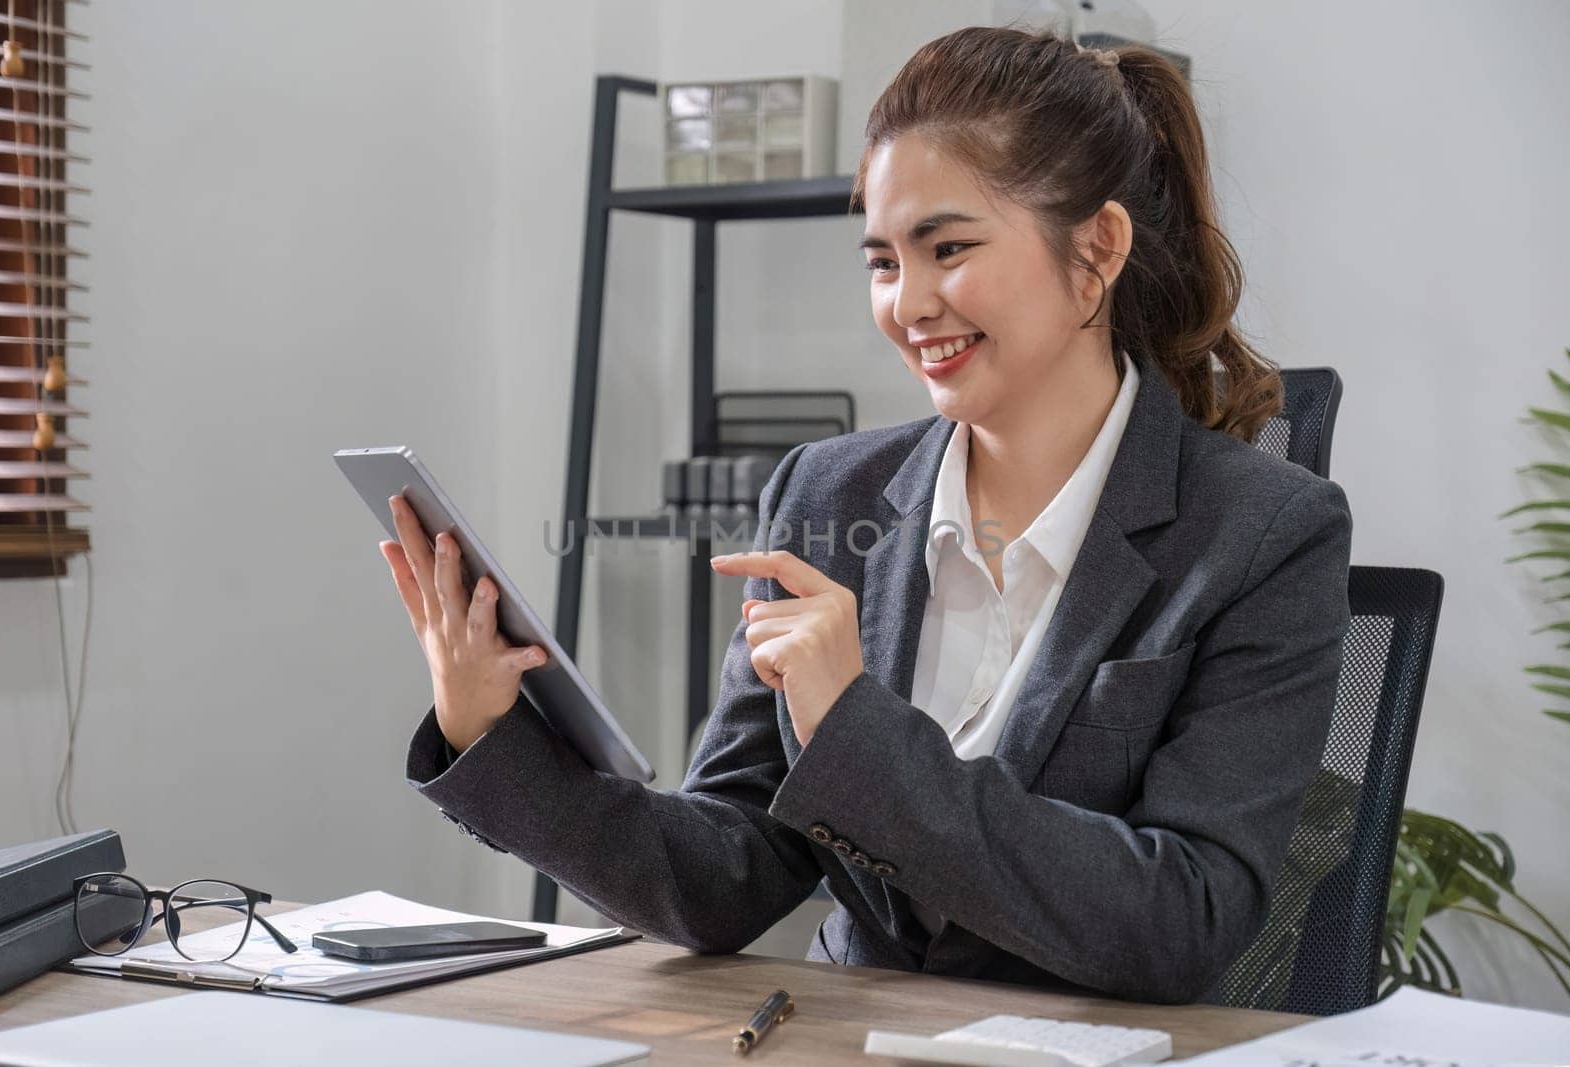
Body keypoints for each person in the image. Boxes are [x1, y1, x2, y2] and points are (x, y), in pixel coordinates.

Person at [380, 26, 1351, 1004]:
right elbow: (722, 879)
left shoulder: (1264, 533)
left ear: (1095, 248)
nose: (908, 302)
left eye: (950, 248)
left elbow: (1182, 920)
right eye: (883, 261)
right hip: (847, 1037)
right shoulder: (823, 494)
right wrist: (491, 730)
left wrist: (856, 729)